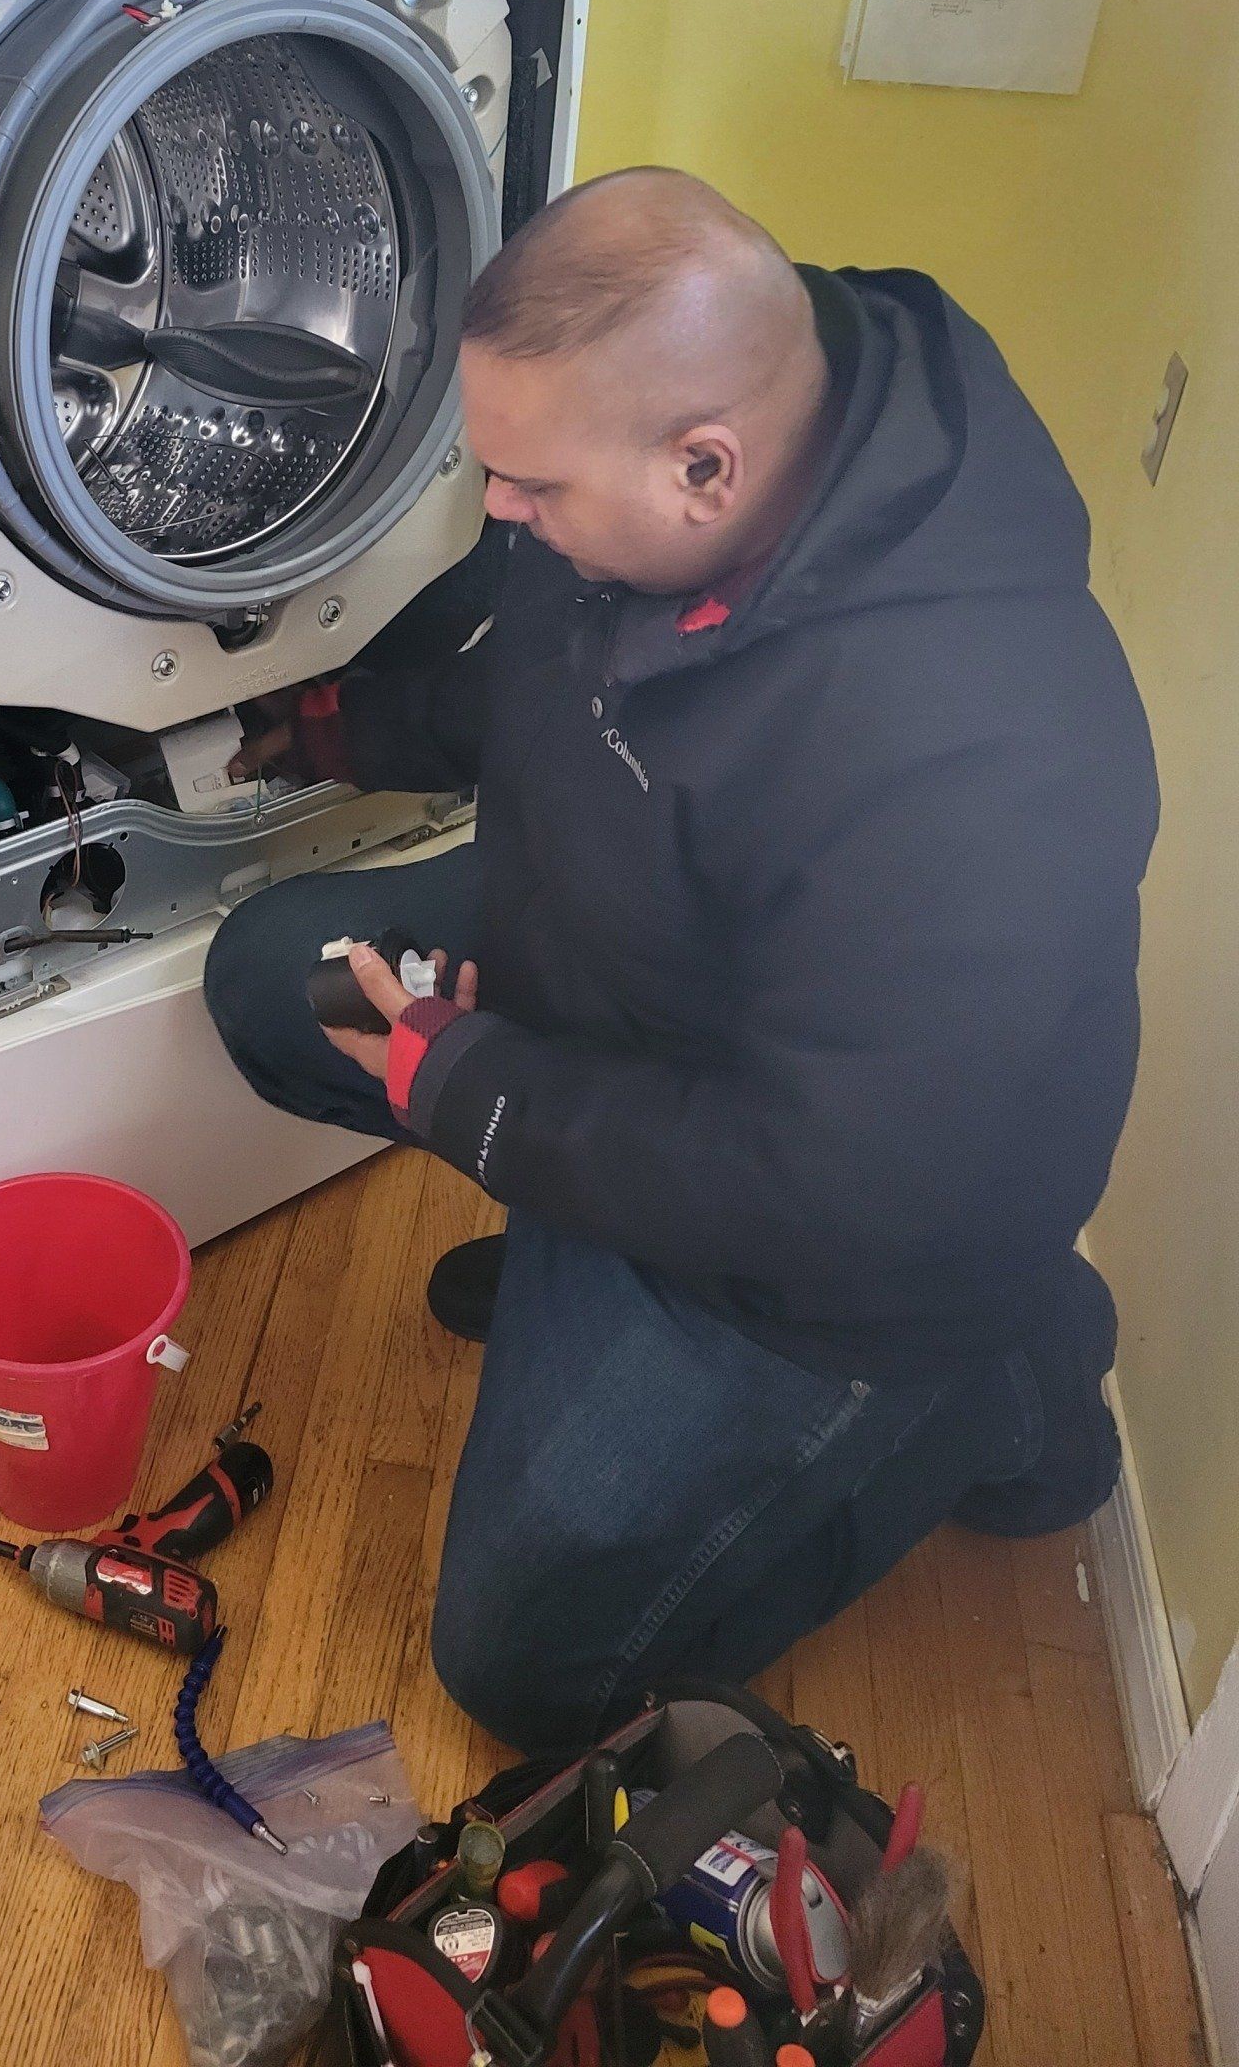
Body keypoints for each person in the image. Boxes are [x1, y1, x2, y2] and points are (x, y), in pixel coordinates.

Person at [203, 168, 1158, 1759]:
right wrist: (334, 729)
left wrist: (478, 1090)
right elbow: (535, 680)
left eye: (528, 487)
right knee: (275, 983)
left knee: (521, 1673)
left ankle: (995, 1383)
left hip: (843, 1260)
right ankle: (581, 1258)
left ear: (704, 469)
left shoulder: (983, 752)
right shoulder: (655, 447)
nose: (497, 514)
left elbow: (834, 1183)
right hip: (628, 999)